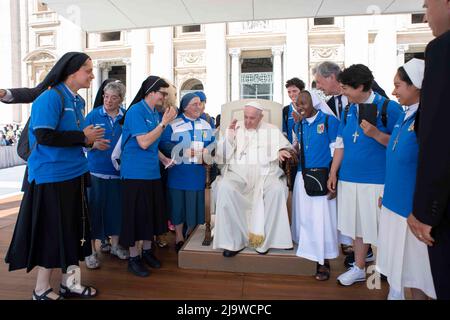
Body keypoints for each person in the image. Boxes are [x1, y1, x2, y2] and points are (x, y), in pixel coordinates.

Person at [4, 52, 104, 300]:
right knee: (52, 233)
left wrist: (89, 143)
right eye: (88, 70)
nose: (92, 75)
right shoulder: (50, 98)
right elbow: (45, 136)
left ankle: (71, 283)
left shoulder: (78, 102)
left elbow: (73, 138)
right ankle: (41, 289)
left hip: (75, 174)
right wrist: (83, 137)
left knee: (74, 230)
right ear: (72, 71)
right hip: (51, 177)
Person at [327, 64, 403, 286]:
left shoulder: (390, 108)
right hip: (349, 178)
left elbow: (401, 145)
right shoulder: (349, 109)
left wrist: (377, 134)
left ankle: (385, 271)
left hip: (377, 179)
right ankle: (360, 268)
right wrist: (334, 172)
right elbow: (341, 142)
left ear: (360, 86)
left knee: (380, 229)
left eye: (346, 88)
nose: (343, 93)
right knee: (357, 227)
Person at [377, 58, 436, 300]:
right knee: (404, 269)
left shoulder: (427, 120)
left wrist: (421, 208)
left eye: (399, 85)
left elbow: (431, 169)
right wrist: (387, 192)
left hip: (412, 212)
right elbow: (396, 160)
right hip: (394, 204)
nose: (393, 91)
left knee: (420, 274)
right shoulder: (405, 117)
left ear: (417, 86)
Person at [212, 101, 294, 256]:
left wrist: (282, 150)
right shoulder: (235, 128)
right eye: (246, 117)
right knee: (225, 188)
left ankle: (267, 240)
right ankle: (232, 242)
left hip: (265, 175)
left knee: (276, 189)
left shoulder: (272, 130)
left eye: (252, 118)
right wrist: (229, 137)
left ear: (260, 116)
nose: (248, 121)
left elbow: (285, 147)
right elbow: (221, 156)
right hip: (238, 175)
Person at [410, 0, 450, 300]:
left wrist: (426, 210)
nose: (425, 16)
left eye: (427, 5)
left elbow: (437, 135)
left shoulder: (442, 50)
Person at [119, 76, 177, 277]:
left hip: (151, 172)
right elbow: (143, 142)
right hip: (135, 174)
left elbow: (151, 146)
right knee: (136, 217)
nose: (164, 97)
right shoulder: (136, 111)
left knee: (149, 215)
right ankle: (133, 258)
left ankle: (146, 252)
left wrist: (163, 159)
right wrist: (163, 123)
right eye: (162, 93)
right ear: (151, 92)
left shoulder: (153, 113)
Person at [291, 91, 340, 281]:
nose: (300, 106)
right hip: (302, 177)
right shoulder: (298, 125)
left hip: (323, 178)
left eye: (303, 103)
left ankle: (323, 261)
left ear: (315, 102)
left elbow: (337, 150)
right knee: (306, 218)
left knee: (322, 220)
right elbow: (298, 148)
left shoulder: (329, 122)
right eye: (297, 104)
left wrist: (334, 177)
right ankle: (308, 253)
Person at [83, 80, 129, 269]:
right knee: (94, 212)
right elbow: (80, 141)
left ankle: (116, 246)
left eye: (114, 97)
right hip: (95, 172)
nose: (108, 101)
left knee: (116, 212)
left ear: (121, 99)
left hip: (118, 174)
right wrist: (92, 145)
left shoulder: (126, 116)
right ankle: (92, 251)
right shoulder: (93, 115)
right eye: (106, 96)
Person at [160, 93, 215, 252]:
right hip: (178, 172)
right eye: (195, 104)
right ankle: (179, 237)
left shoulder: (205, 124)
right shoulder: (174, 124)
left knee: (194, 206)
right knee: (178, 206)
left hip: (198, 172)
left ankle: (189, 233)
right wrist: (182, 150)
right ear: (185, 107)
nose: (199, 107)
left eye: (200, 104)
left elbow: (212, 144)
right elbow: (164, 144)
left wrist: (208, 150)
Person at [282, 78, 305, 143]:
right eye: (289, 92)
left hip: (308, 148)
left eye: (294, 91)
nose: (291, 94)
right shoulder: (285, 110)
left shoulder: (310, 109)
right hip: (292, 150)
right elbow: (284, 133)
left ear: (302, 91)